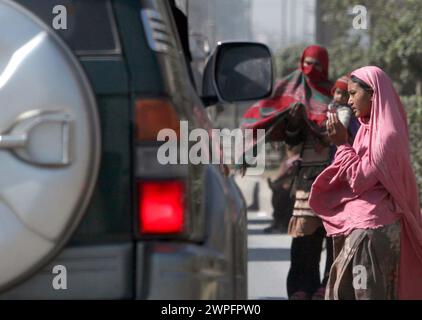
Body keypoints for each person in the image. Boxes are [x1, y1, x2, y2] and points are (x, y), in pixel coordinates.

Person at [309, 66, 422, 299]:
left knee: (364, 293)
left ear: (373, 94)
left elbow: (359, 180)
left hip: (370, 233)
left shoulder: (386, 136)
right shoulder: (366, 130)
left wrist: (341, 144)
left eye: (353, 93)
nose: (348, 100)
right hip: (364, 227)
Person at [241, 45, 334, 300]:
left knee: (334, 238)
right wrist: (294, 122)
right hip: (306, 180)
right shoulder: (296, 94)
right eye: (308, 63)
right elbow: (292, 143)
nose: (311, 69)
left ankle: (326, 287)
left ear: (325, 66)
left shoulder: (336, 95)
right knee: (304, 239)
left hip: (336, 178)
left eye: (317, 64)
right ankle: (301, 288)